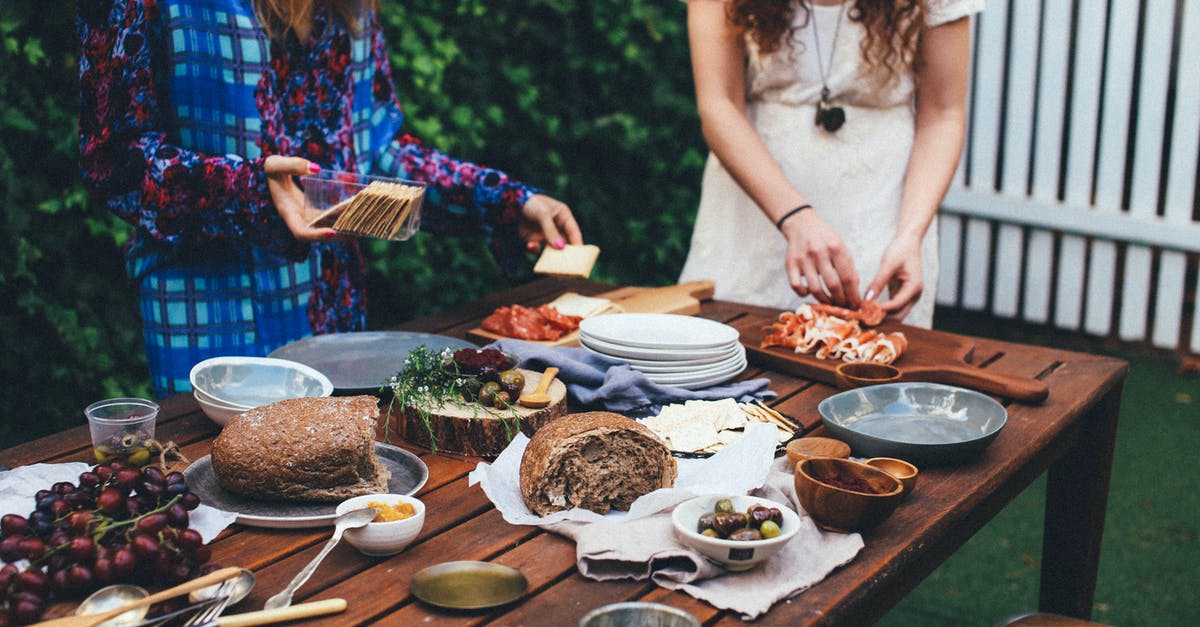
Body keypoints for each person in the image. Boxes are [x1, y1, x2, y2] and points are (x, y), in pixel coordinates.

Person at [77, 0, 583, 396]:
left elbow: (375, 150)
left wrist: (505, 201)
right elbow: (114, 160)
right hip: (214, 322)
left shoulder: (350, 7)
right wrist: (246, 188)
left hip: (337, 323)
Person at [677, 0, 981, 326]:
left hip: (882, 219)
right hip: (752, 218)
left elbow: (943, 114)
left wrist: (910, 234)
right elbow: (719, 105)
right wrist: (794, 217)